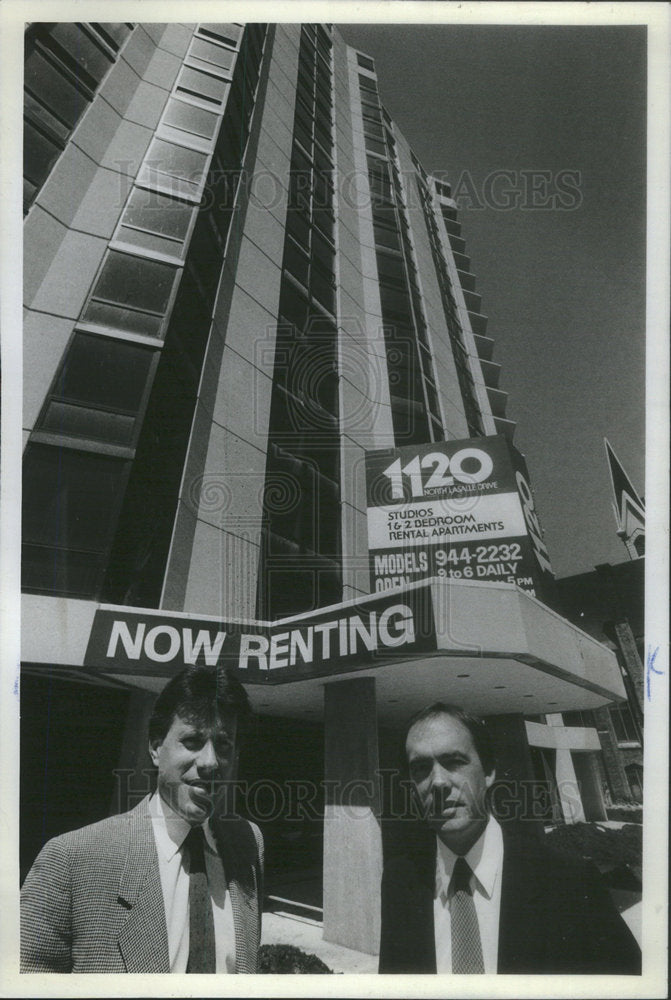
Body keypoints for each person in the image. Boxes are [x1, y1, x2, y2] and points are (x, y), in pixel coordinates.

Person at [21, 666, 263, 973]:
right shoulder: (72, 859)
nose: (211, 761)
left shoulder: (248, 841)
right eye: (192, 741)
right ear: (154, 747)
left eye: (224, 745)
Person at [378, 702, 641, 975]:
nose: (438, 782)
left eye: (454, 761)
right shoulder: (399, 881)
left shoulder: (569, 881)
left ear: (489, 772)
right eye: (420, 768)